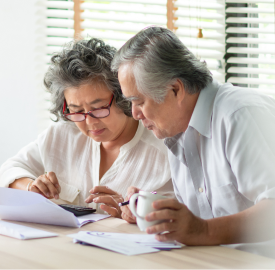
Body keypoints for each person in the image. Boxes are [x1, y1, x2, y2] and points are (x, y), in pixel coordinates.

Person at [112, 26, 275, 257]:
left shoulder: (240, 115)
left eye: (138, 101)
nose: (135, 114)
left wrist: (203, 230)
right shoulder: (177, 128)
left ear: (175, 89)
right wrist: (155, 210)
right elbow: (208, 213)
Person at [0, 38, 173, 217]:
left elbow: (181, 217)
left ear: (122, 97)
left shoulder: (165, 152)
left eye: (98, 108)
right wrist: (30, 187)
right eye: (77, 111)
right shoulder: (62, 135)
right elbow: (9, 169)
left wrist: (133, 213)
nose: (89, 122)